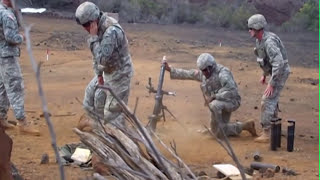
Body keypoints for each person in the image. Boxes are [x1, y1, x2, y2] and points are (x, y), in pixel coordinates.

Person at [163, 53, 257, 138]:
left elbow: (232, 91)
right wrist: (170, 69)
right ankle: (245, 126)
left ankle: (236, 127)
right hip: (221, 103)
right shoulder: (205, 73)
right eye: (202, 70)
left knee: (214, 108)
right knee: (218, 131)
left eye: (204, 70)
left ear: (210, 67)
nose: (203, 73)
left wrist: (214, 96)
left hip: (232, 101)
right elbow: (189, 74)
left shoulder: (223, 74)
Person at [75, 1, 133, 126]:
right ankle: (98, 126)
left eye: (85, 25)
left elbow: (102, 59)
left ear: (93, 21)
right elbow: (96, 58)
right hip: (107, 72)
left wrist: (93, 38)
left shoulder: (111, 31)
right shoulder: (97, 29)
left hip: (119, 75)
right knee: (90, 97)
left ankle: (115, 136)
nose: (85, 29)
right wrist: (99, 75)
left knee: (112, 114)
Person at [247, 14, 290, 143]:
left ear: (256, 27)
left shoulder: (269, 42)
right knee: (272, 99)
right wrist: (264, 75)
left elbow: (279, 63)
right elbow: (265, 60)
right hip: (275, 72)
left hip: (280, 72)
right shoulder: (259, 41)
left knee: (267, 100)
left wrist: (272, 83)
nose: (249, 30)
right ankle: (275, 127)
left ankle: (267, 132)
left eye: (250, 28)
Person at [0, 0, 40, 136]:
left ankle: (1, 118)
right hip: (7, 56)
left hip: (1, 55)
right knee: (15, 87)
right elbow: (11, 37)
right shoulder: (6, 15)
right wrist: (22, 37)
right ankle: (22, 122)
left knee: (3, 87)